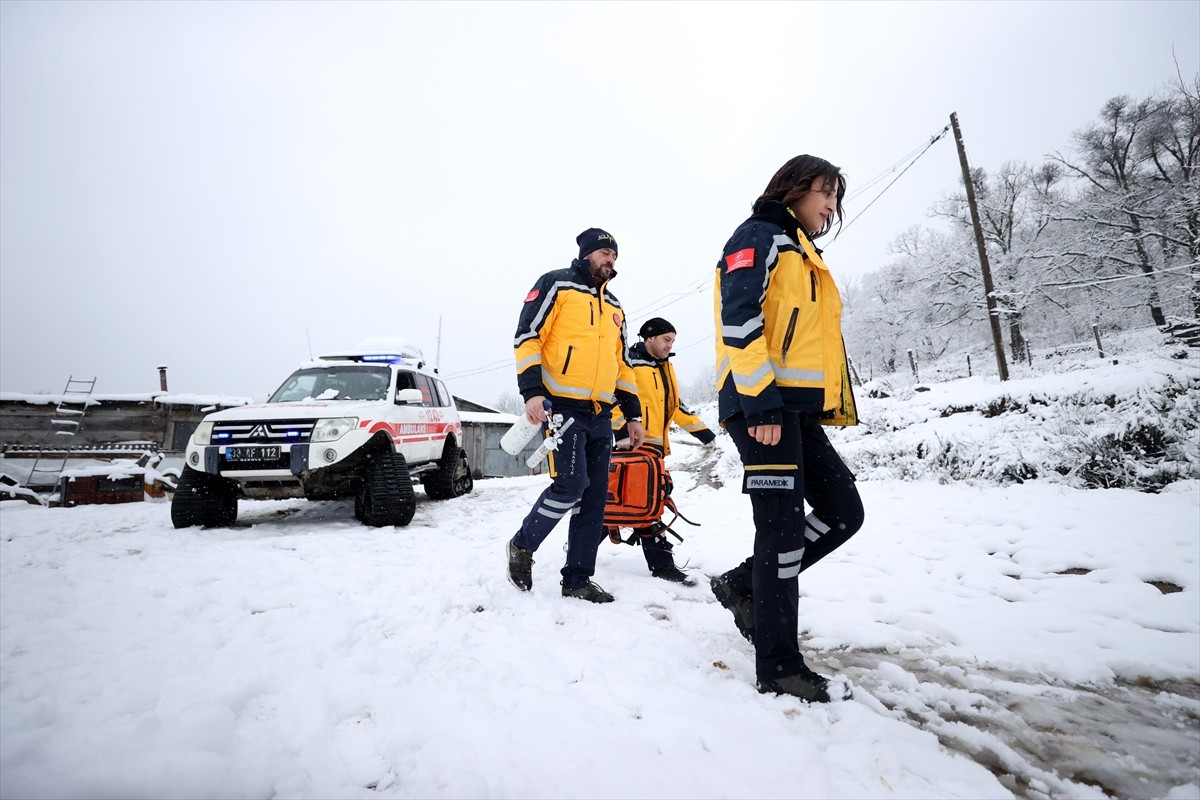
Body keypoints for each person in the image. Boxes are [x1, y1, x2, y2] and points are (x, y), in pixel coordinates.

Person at [710, 155, 865, 703]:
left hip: (794, 411)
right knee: (779, 529)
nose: (831, 206)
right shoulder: (760, 237)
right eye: (825, 192)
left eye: (836, 198)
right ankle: (778, 666)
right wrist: (762, 405)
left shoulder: (803, 252)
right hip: (763, 408)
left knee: (845, 512)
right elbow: (740, 320)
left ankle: (743, 583)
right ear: (795, 188)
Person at [507, 228, 645, 603]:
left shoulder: (615, 306)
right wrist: (532, 392)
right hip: (561, 407)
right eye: (604, 253)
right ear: (587, 254)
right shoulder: (557, 285)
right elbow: (527, 337)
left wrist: (633, 414)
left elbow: (623, 364)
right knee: (572, 485)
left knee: (596, 497)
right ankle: (522, 545)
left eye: (614, 255)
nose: (610, 261)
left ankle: (578, 580)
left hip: (601, 413)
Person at [611, 317, 716, 586]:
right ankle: (662, 565)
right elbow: (611, 399)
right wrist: (621, 433)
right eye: (666, 339)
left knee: (630, 503)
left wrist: (704, 434)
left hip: (655, 450)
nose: (670, 345)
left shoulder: (666, 367)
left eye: (673, 341)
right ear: (649, 338)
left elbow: (675, 407)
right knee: (650, 503)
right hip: (633, 445)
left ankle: (583, 540)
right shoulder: (629, 363)